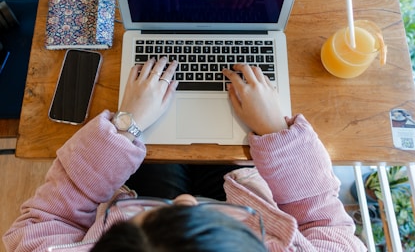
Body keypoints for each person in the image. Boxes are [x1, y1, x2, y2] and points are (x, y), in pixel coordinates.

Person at [3, 58, 367, 251]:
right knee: (217, 150)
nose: (186, 200)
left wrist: (127, 125)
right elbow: (322, 221)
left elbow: (51, 215)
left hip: (124, 181)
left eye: (147, 223)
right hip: (255, 192)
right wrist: (275, 132)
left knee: (159, 162)